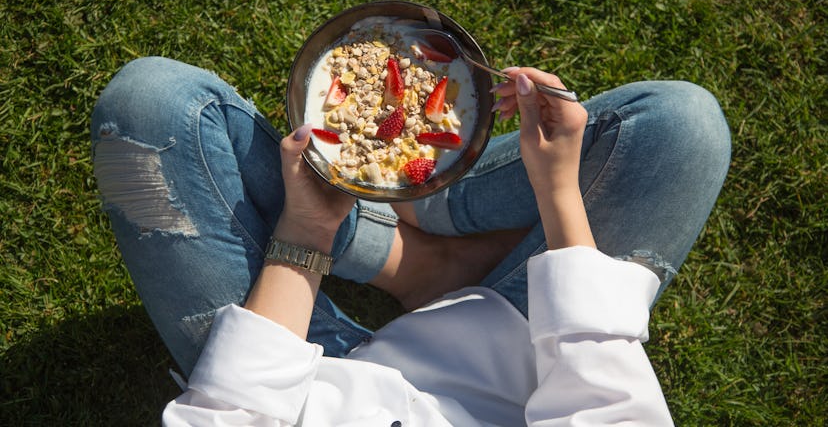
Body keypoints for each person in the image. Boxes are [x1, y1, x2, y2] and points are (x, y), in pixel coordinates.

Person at [91, 56, 730, 425]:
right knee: (680, 130)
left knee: (149, 111)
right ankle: (432, 230)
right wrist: (555, 187)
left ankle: (398, 251)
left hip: (301, 384)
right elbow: (605, 394)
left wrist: (308, 231)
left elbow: (232, 412)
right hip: (512, 351)